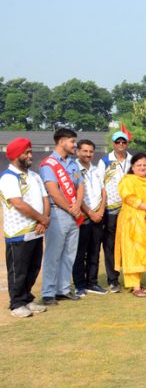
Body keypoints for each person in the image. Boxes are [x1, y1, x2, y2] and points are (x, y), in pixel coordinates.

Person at [0, 138, 50, 317]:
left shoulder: (34, 176)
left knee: (33, 267)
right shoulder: (8, 177)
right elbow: (18, 204)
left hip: (36, 231)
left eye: (30, 152)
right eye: (26, 153)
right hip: (18, 233)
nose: (31, 155)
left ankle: (27, 298)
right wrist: (42, 219)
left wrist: (43, 221)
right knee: (18, 271)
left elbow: (45, 198)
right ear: (15, 156)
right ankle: (17, 304)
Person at [39, 128, 84, 305]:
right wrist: (71, 208)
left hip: (74, 213)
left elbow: (80, 185)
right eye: (72, 141)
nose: (75, 145)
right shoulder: (48, 164)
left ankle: (63, 289)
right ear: (61, 142)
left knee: (69, 254)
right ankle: (48, 292)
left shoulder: (73, 163)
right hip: (58, 213)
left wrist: (77, 205)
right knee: (53, 254)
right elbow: (53, 190)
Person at [114, 153, 146, 297]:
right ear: (132, 167)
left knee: (142, 251)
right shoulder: (127, 180)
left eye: (144, 165)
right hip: (131, 221)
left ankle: (138, 283)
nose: (142, 167)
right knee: (132, 252)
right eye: (139, 165)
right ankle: (135, 286)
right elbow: (130, 198)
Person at [97, 130, 132, 293]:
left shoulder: (133, 160)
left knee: (129, 243)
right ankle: (113, 279)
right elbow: (99, 185)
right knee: (110, 245)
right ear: (113, 144)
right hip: (111, 210)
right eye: (117, 142)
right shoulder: (105, 161)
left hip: (130, 210)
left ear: (127, 144)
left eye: (123, 142)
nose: (120, 145)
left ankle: (132, 278)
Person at [72, 140, 108, 297]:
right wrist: (90, 213)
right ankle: (80, 285)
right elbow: (75, 194)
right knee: (80, 253)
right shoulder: (73, 169)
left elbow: (103, 191)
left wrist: (100, 211)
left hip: (98, 216)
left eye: (91, 151)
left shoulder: (96, 169)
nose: (88, 154)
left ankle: (92, 282)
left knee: (95, 251)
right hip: (83, 216)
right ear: (77, 152)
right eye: (85, 151)